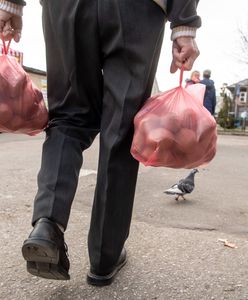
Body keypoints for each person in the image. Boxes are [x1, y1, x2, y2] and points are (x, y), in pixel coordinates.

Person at [0, 0, 201, 286]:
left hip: (65, 7)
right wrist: (185, 24)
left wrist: (11, 4)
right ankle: (105, 257)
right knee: (121, 128)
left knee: (68, 117)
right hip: (137, 10)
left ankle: (48, 223)